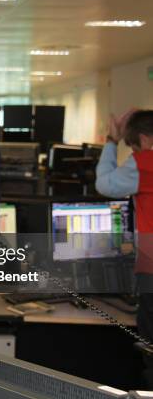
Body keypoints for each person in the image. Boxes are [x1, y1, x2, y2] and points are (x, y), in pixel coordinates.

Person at [95, 109, 153, 386]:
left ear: (143, 139)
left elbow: (105, 183)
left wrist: (111, 139)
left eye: (131, 146)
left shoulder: (146, 162)